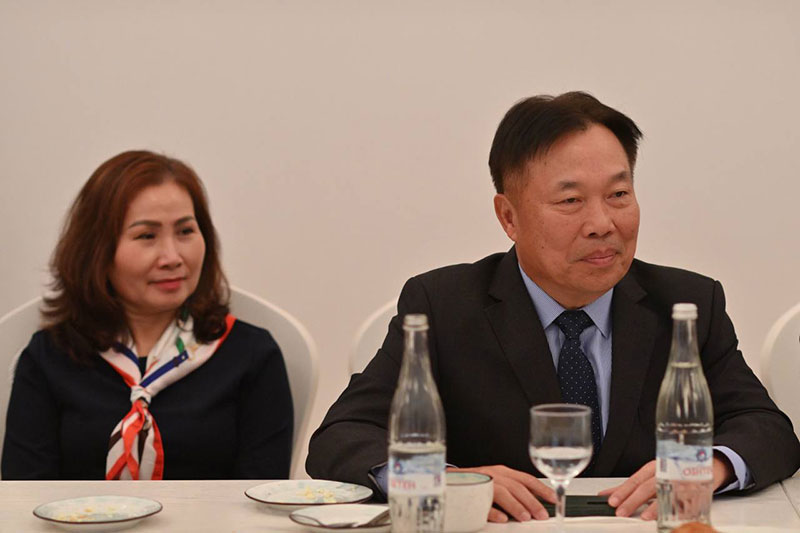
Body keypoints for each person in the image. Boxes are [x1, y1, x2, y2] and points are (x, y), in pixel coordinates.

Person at [306, 92, 800, 522]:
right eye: (570, 201)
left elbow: (767, 430)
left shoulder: (686, 305)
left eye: (619, 194)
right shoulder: (444, 306)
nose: (602, 223)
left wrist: (709, 466)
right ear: (509, 217)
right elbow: (343, 436)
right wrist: (444, 479)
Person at [2, 150, 293, 480]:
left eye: (185, 231)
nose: (172, 257)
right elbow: (23, 495)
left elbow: (262, 497)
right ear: (97, 251)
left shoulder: (251, 355)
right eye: (146, 236)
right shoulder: (49, 357)